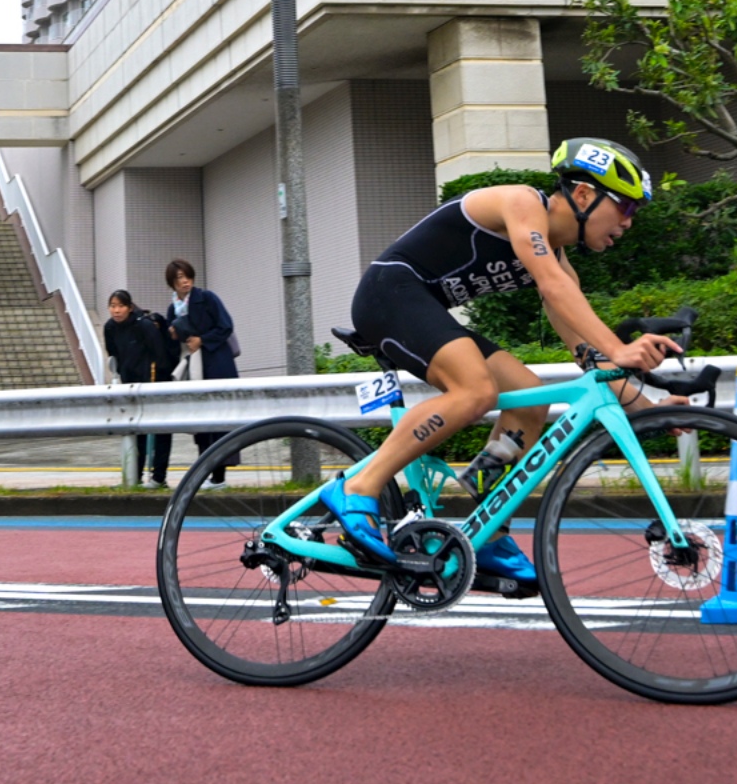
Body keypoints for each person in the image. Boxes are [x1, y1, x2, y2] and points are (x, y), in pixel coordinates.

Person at [324, 138, 680, 590]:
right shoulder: (521, 203)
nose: (628, 223)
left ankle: (487, 531)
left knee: (529, 400)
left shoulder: (559, 264)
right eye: (626, 208)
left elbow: (592, 360)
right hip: (388, 294)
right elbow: (552, 287)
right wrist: (622, 347)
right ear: (584, 194)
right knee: (475, 390)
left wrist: (650, 411)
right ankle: (357, 488)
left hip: (420, 306)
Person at [166, 260, 240, 483]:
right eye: (179, 278)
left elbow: (226, 326)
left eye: (187, 276)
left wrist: (203, 340)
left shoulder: (207, 298)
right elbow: (174, 344)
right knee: (201, 422)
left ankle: (219, 476)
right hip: (194, 367)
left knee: (220, 417)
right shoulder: (173, 308)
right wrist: (173, 335)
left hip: (217, 362)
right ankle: (207, 472)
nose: (185, 281)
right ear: (172, 283)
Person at [103, 290, 175, 485]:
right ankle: (135, 476)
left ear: (129, 307)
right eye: (113, 306)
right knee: (135, 430)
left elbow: (160, 356)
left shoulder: (144, 325)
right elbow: (114, 355)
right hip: (130, 385)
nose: (116, 310)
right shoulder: (109, 328)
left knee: (161, 430)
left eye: (121, 306)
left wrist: (157, 381)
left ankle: (159, 477)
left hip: (154, 382)